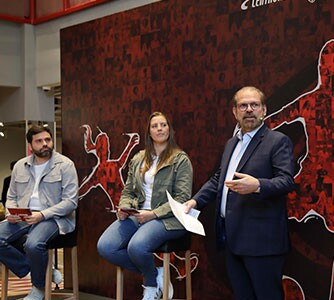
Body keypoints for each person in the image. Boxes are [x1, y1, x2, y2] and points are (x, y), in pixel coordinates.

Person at [184, 86, 295, 300]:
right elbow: (219, 178)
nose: (249, 110)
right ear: (235, 112)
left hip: (262, 242)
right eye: (243, 105)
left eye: (254, 105)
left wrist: (258, 185)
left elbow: (287, 181)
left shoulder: (277, 141)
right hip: (232, 240)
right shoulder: (231, 143)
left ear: (264, 110)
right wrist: (195, 202)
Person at [97, 112, 193, 300]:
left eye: (163, 125)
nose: (159, 129)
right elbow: (128, 191)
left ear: (169, 129)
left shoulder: (180, 159)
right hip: (137, 215)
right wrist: (124, 207)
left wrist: (153, 214)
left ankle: (150, 286)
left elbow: (182, 199)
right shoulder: (139, 158)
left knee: (137, 247)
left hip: (168, 218)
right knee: (106, 247)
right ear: (149, 132)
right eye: (155, 126)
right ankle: (155, 273)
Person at [0, 125, 78, 300]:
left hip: (53, 218)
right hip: (22, 216)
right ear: (30, 145)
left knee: (33, 244)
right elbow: (11, 196)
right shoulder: (20, 166)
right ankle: (42, 270)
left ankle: (39, 287)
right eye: (39, 141)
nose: (45, 144)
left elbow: (71, 202)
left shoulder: (65, 165)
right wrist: (9, 213)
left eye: (47, 140)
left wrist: (42, 215)